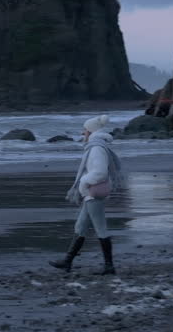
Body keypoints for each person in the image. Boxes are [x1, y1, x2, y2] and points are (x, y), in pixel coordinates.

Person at [48, 114, 125, 275]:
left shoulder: (96, 149)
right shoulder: (96, 146)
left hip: (93, 191)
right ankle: (67, 261)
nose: (83, 133)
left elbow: (100, 173)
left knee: (100, 228)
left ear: (91, 131)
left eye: (85, 130)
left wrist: (83, 182)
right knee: (80, 226)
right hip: (92, 192)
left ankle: (109, 267)